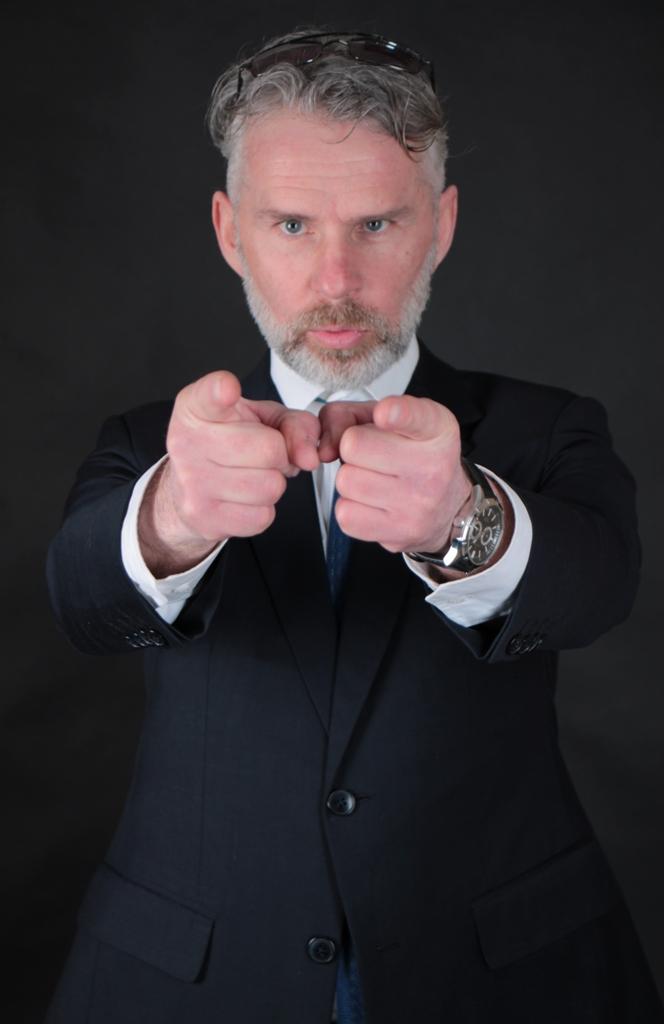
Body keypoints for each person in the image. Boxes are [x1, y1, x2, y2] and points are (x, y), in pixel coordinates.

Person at [45, 27, 663, 1024]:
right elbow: (80, 602)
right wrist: (174, 515)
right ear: (229, 231)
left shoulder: (548, 428)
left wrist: (464, 520)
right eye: (291, 224)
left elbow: (599, 586)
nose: (336, 279)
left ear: (441, 223)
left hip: (501, 978)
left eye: (376, 223)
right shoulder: (144, 442)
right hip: (192, 981)